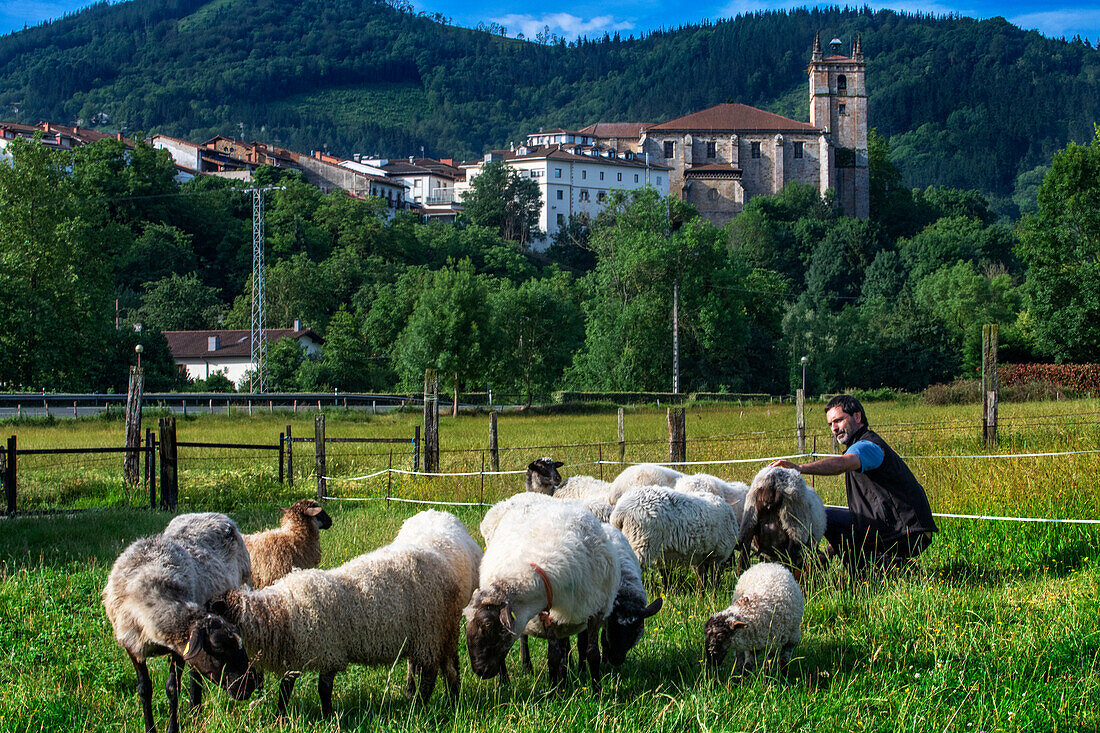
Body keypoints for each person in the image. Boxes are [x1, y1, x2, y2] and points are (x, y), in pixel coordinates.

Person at [770, 394, 936, 568]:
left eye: (839, 420)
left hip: (905, 532)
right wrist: (826, 555)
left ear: (857, 416)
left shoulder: (867, 446)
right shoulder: (864, 444)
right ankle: (878, 565)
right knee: (832, 518)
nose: (834, 428)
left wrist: (799, 468)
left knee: (820, 514)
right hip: (902, 528)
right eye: (830, 424)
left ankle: (871, 567)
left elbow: (843, 463)